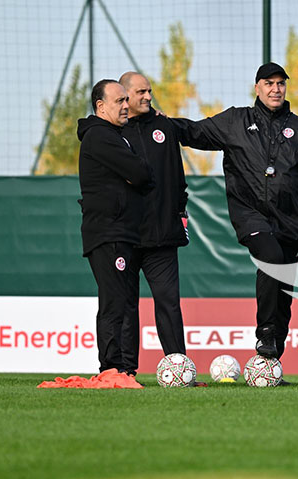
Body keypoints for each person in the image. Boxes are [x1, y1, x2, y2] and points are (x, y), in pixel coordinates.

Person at [171, 62, 298, 375]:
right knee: (269, 258)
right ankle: (266, 335)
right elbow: (193, 132)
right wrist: (159, 123)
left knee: (284, 290)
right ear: (257, 87)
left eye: (280, 83)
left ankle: (270, 364)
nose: (275, 89)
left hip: (292, 223)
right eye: (268, 83)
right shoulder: (236, 121)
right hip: (251, 215)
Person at [77, 79, 153, 373]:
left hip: (121, 231)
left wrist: (138, 174)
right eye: (120, 101)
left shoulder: (116, 136)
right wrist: (136, 174)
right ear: (101, 106)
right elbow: (141, 172)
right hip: (109, 232)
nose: (126, 106)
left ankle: (119, 368)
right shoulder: (100, 136)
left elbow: (143, 175)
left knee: (120, 300)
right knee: (114, 302)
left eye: (126, 100)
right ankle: (112, 368)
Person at [118, 72, 189, 378]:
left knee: (168, 303)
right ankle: (125, 372)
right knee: (125, 307)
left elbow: (178, 178)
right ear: (125, 97)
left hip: (163, 235)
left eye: (149, 91)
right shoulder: (111, 132)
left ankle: (178, 367)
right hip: (126, 235)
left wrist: (180, 214)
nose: (148, 97)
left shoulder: (165, 127)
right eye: (141, 92)